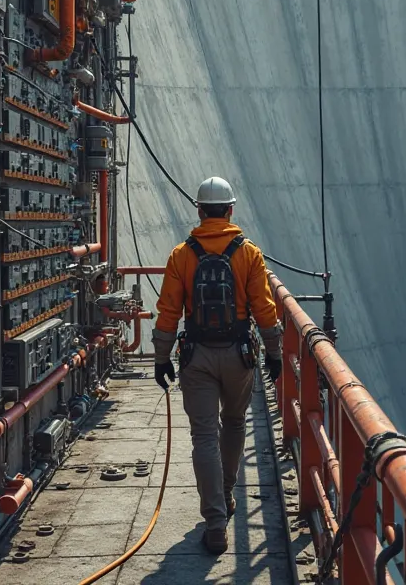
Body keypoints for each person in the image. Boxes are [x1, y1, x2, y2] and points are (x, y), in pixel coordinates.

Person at [152, 176, 283, 555]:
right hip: (239, 353)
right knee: (236, 422)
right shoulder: (248, 253)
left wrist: (162, 358)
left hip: (197, 357)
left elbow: (168, 312)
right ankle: (227, 492)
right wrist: (274, 352)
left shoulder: (182, 255)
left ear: (199, 210)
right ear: (230, 210)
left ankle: (214, 522)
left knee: (203, 436)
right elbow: (264, 308)